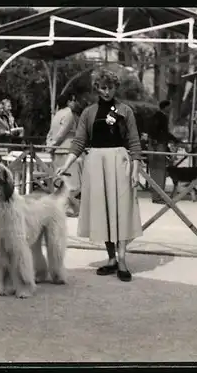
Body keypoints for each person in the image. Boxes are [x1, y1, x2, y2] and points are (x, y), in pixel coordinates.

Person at [56, 67, 143, 282]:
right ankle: (112, 258)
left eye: (111, 87)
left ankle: (122, 260)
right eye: (103, 87)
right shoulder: (88, 112)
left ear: (116, 88)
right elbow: (79, 142)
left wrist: (135, 168)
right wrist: (66, 164)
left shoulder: (125, 110)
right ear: (97, 88)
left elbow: (134, 142)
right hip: (96, 163)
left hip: (119, 161)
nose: (107, 92)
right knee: (103, 212)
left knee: (121, 211)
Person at [46, 91, 83, 217]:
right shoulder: (69, 114)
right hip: (67, 148)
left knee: (61, 180)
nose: (75, 102)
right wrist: (54, 145)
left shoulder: (57, 114)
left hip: (57, 150)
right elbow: (62, 133)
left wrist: (49, 145)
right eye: (73, 100)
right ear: (69, 101)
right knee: (70, 181)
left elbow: (51, 132)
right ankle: (73, 208)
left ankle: (64, 207)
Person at [147, 100, 180, 204]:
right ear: (165, 107)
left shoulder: (158, 116)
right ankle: (157, 196)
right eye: (169, 107)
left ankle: (158, 195)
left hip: (159, 146)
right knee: (158, 172)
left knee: (159, 172)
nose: (170, 108)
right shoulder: (160, 117)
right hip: (158, 147)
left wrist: (173, 139)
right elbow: (157, 132)